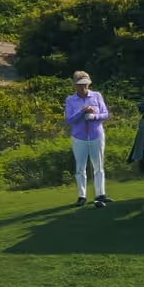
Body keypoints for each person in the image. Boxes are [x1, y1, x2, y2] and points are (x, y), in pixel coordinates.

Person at [65, 71, 110, 208]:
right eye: (80, 85)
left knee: (98, 166)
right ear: (75, 86)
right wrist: (81, 112)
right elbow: (69, 120)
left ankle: (100, 194)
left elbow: (105, 114)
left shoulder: (96, 96)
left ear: (89, 84)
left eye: (85, 85)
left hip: (96, 134)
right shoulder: (70, 100)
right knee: (80, 168)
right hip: (79, 137)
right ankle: (82, 196)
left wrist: (94, 115)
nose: (83, 88)